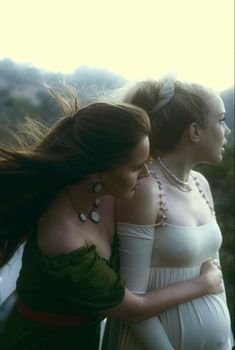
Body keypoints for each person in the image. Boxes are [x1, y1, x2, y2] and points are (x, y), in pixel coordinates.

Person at [0, 92, 223, 350]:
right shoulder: (63, 237)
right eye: (136, 167)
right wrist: (204, 283)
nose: (147, 174)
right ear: (99, 173)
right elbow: (135, 309)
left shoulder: (102, 194)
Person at [102, 76, 233, 350]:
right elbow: (132, 299)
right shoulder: (146, 190)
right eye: (220, 120)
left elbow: (214, 277)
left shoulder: (200, 183)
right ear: (194, 131)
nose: (227, 130)